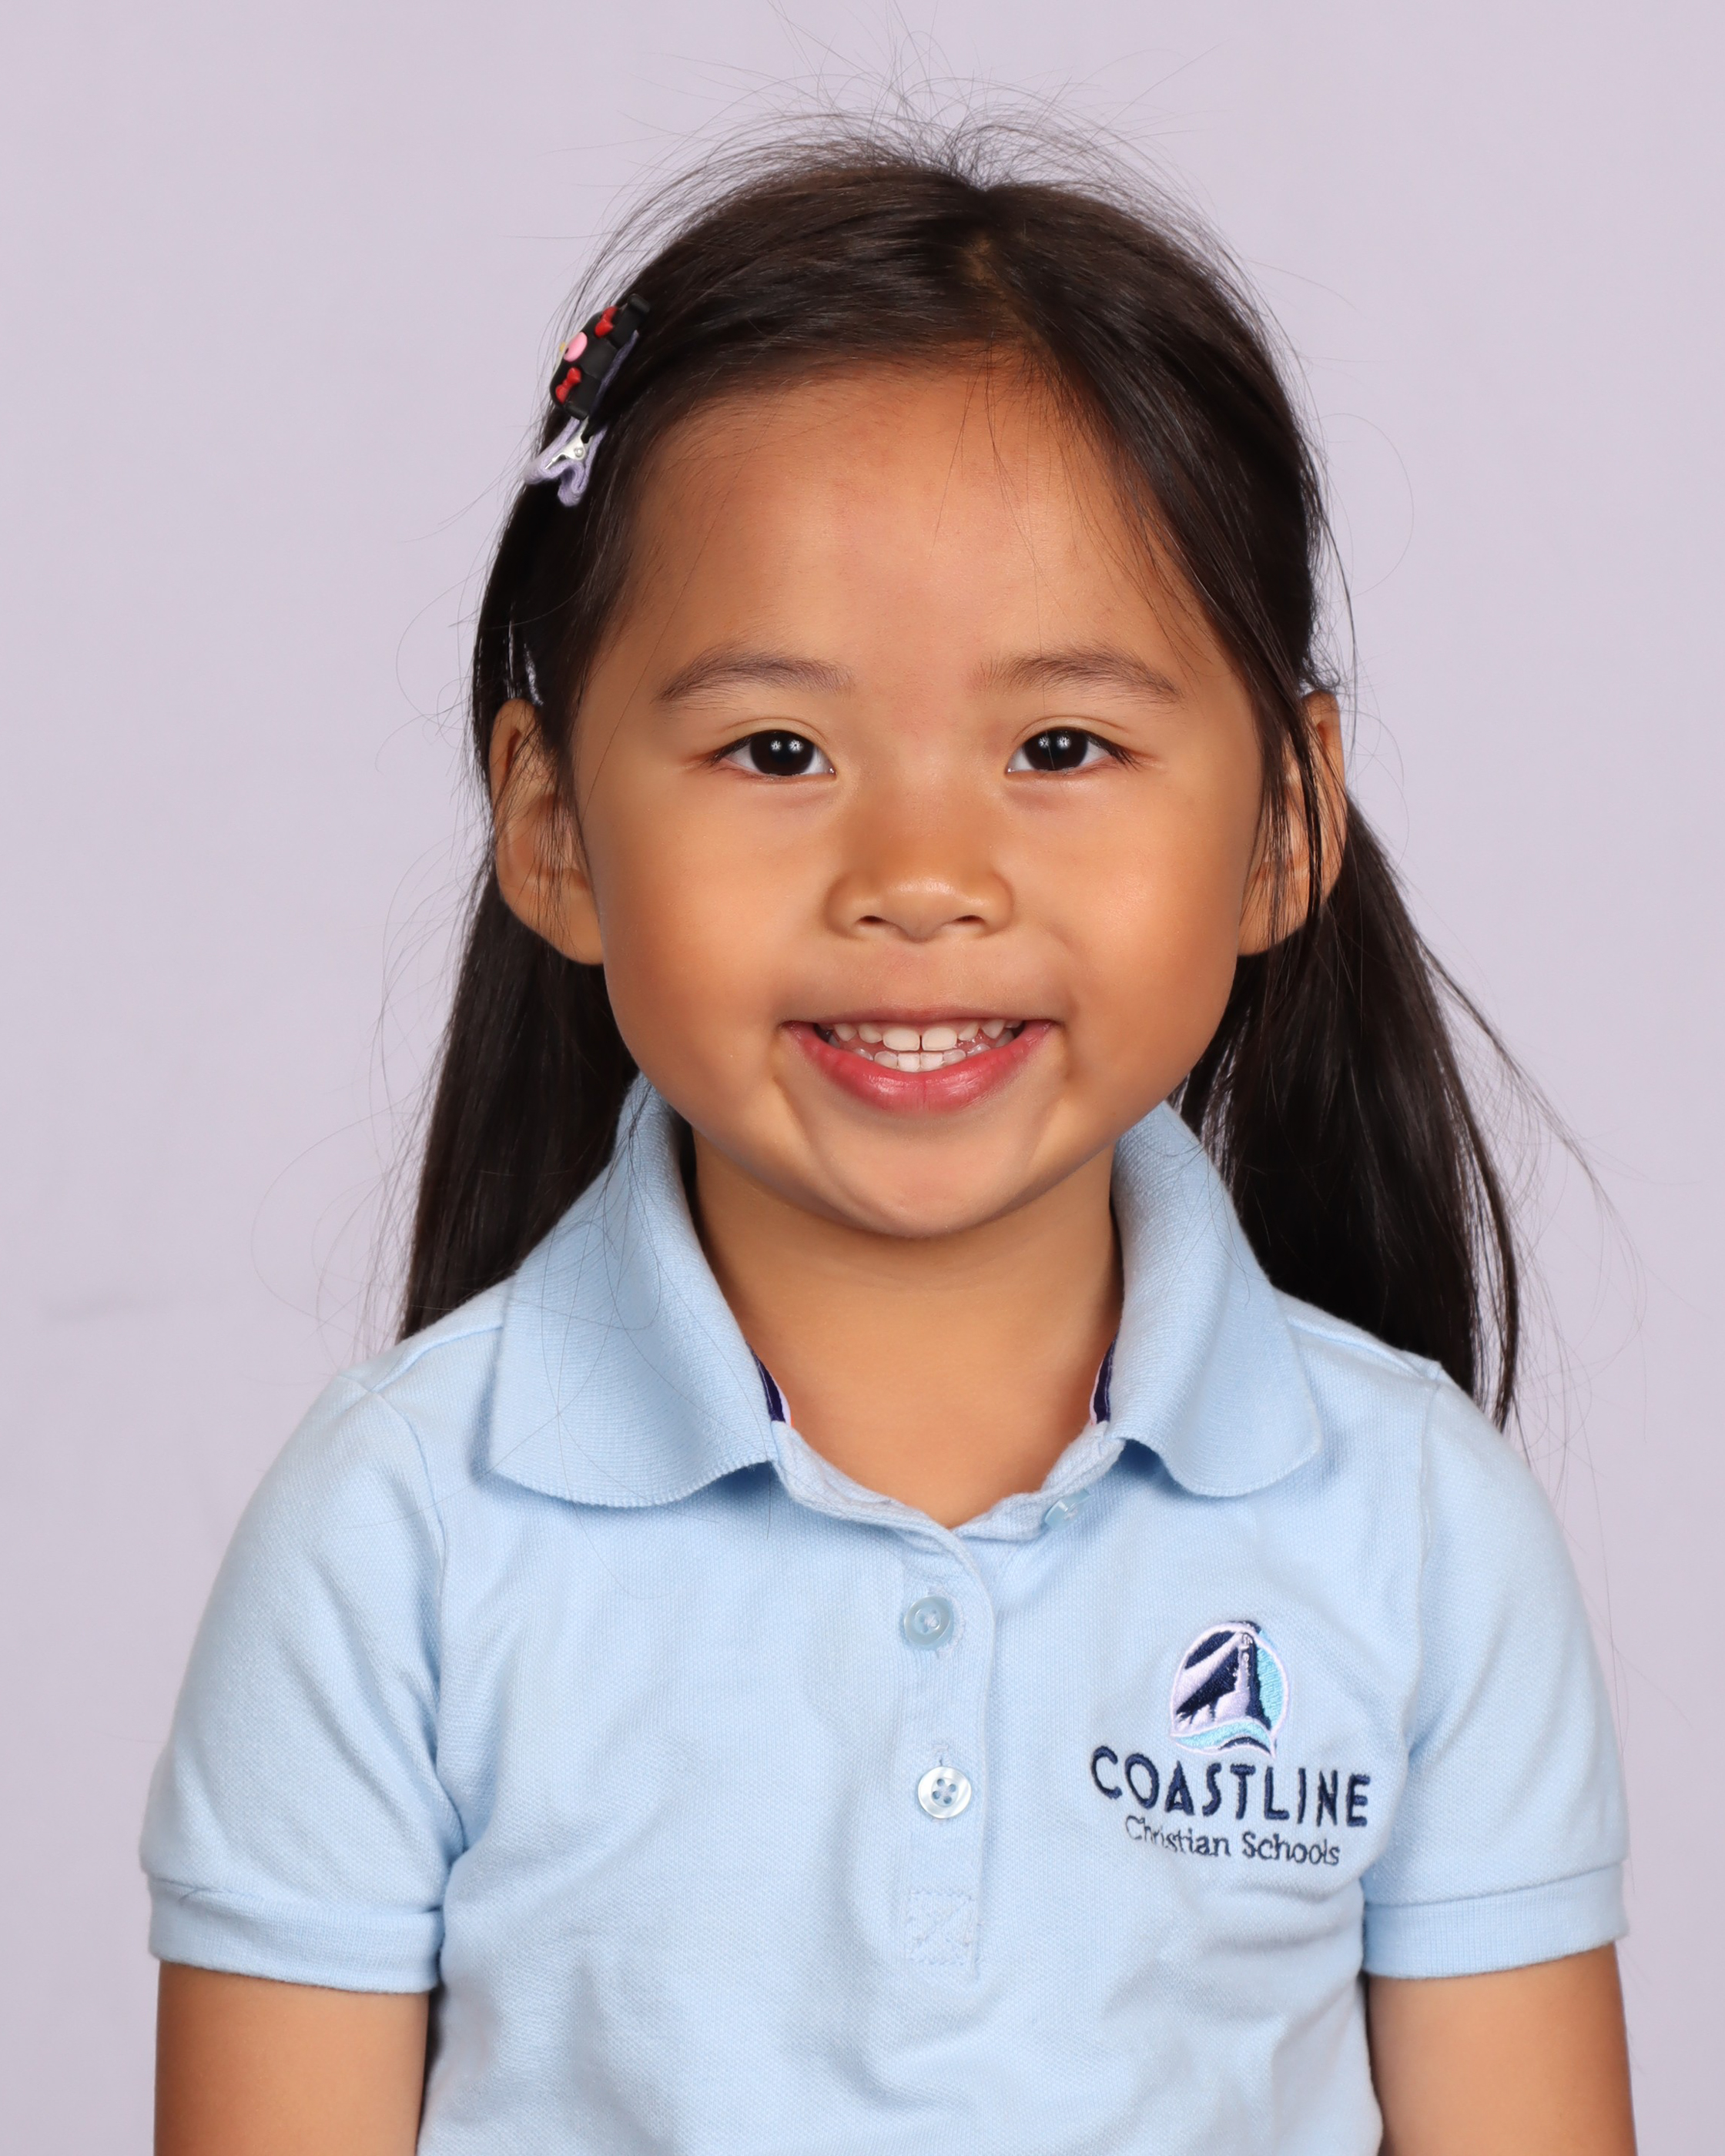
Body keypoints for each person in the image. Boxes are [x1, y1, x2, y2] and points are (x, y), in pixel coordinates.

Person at [143, 126, 1635, 2155]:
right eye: (779, 750)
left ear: (1286, 819)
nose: (921, 877)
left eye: (1060, 746)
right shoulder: (394, 1536)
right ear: (552, 826)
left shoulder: (1422, 1533)